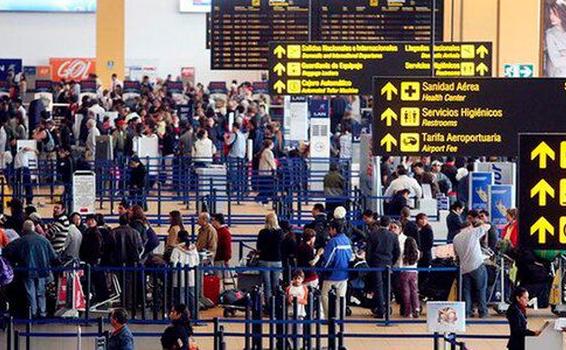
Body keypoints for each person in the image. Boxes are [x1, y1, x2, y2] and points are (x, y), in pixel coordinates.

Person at [4, 220, 57, 318]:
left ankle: (32, 312)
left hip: (27, 270)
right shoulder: (44, 240)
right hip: (42, 270)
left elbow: (7, 251)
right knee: (41, 292)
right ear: (33, 228)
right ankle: (42, 312)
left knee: (30, 292)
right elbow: (53, 256)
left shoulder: (21, 241)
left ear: (23, 230)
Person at [453, 210, 490, 318]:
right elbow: (487, 226)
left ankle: (467, 313)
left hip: (464, 268)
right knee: (481, 290)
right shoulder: (472, 233)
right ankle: (483, 312)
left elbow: (456, 255)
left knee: (466, 292)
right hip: (477, 265)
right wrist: (479, 221)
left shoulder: (456, 238)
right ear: (469, 227)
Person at [366, 216, 400, 319]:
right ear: (389, 224)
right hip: (388, 264)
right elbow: (397, 252)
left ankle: (380, 309)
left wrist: (371, 264)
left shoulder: (373, 235)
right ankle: (386, 306)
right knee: (387, 286)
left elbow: (368, 252)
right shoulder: (393, 236)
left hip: (376, 264)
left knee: (378, 287)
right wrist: (391, 262)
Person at [321, 220, 353, 319]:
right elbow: (350, 256)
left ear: (334, 229)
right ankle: (340, 318)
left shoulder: (333, 242)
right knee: (341, 297)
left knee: (325, 295)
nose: (329, 232)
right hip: (344, 274)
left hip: (332, 275)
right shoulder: (347, 240)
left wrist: (322, 269)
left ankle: (328, 318)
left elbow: (328, 259)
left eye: (330, 229)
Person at [256, 212, 283, 306]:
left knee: (267, 285)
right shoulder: (280, 232)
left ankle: (268, 305)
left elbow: (258, 247)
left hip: (264, 260)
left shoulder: (262, 232)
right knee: (275, 284)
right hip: (277, 260)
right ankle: (276, 305)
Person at [170, 230, 200, 313]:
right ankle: (193, 314)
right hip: (191, 276)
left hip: (179, 277)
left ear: (178, 238)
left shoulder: (176, 249)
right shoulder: (194, 249)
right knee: (191, 296)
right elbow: (197, 262)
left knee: (180, 297)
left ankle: (181, 314)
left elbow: (174, 263)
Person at [285, 269, 308, 347]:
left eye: (299, 278)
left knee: (298, 332)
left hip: (300, 313)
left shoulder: (304, 288)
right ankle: (291, 346)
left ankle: (298, 347)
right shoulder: (289, 288)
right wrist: (289, 299)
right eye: (295, 278)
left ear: (302, 279)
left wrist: (298, 300)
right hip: (290, 312)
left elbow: (306, 301)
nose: (297, 280)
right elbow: (286, 300)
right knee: (289, 331)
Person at [399, 237, 420, 318]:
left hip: (404, 273)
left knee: (406, 293)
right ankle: (416, 309)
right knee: (414, 291)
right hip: (414, 272)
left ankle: (408, 312)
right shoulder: (417, 252)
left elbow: (400, 264)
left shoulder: (403, 253)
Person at [545, 1, 566, 77]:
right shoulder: (550, 34)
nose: (551, 17)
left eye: (554, 13)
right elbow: (556, 62)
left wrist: (563, 53)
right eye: (550, 13)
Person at [211, 213, 232, 283]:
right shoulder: (217, 231)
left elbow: (227, 247)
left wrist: (226, 259)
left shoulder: (224, 232)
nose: (212, 222)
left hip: (221, 259)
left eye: (213, 220)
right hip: (217, 258)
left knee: (220, 280)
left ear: (217, 221)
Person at [256, 139, 277, 205]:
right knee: (267, 187)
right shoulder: (268, 152)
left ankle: (264, 200)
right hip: (266, 172)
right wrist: (274, 168)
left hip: (262, 172)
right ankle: (259, 199)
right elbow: (271, 162)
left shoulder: (264, 151)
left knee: (264, 187)